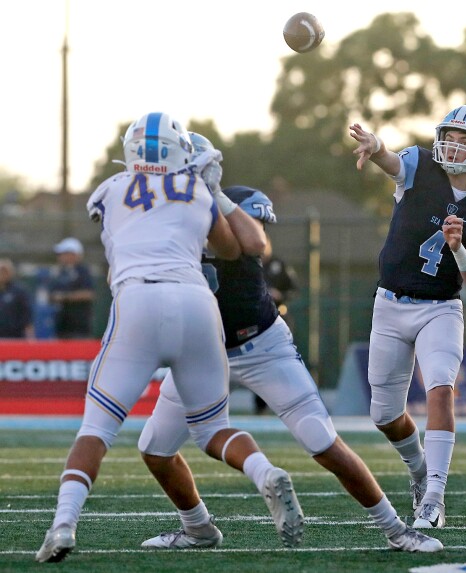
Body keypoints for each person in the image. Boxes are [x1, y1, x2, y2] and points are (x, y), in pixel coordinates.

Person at [137, 132, 442, 553]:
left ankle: (396, 529)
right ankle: (198, 528)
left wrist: (215, 195)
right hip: (201, 351)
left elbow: (254, 243)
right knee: (154, 449)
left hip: (261, 345)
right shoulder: (160, 223)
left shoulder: (226, 215)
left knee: (322, 442)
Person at [35, 112, 302, 562]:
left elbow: (116, 226)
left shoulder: (111, 189)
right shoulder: (198, 191)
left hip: (139, 300)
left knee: (97, 428)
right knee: (214, 428)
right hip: (197, 306)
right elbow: (231, 250)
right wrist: (207, 190)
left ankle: (63, 524)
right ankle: (264, 473)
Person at [349, 104, 466, 529]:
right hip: (389, 304)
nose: (454, 146)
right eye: (451, 136)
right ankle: (420, 474)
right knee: (384, 415)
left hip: (440, 308)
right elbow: (390, 161)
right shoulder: (418, 166)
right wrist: (377, 146)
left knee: (441, 387)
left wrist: (460, 249)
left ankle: (435, 499)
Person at [254, 253, 299, 414]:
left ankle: (289, 402)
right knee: (259, 363)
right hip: (257, 320)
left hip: (280, 317)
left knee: (284, 361)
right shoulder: (249, 263)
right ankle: (261, 407)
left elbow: (294, 290)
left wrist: (281, 295)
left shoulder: (279, 264)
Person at [49, 237, 94, 339]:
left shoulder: (83, 272)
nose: (60, 257)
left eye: (63, 254)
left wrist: (66, 297)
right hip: (62, 326)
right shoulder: (60, 272)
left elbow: (88, 294)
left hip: (79, 326)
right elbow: (51, 294)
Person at [0, 258, 35, 339]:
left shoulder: (20, 292)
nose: (1, 274)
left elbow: (27, 315)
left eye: (4, 271)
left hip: (15, 335)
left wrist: (30, 336)